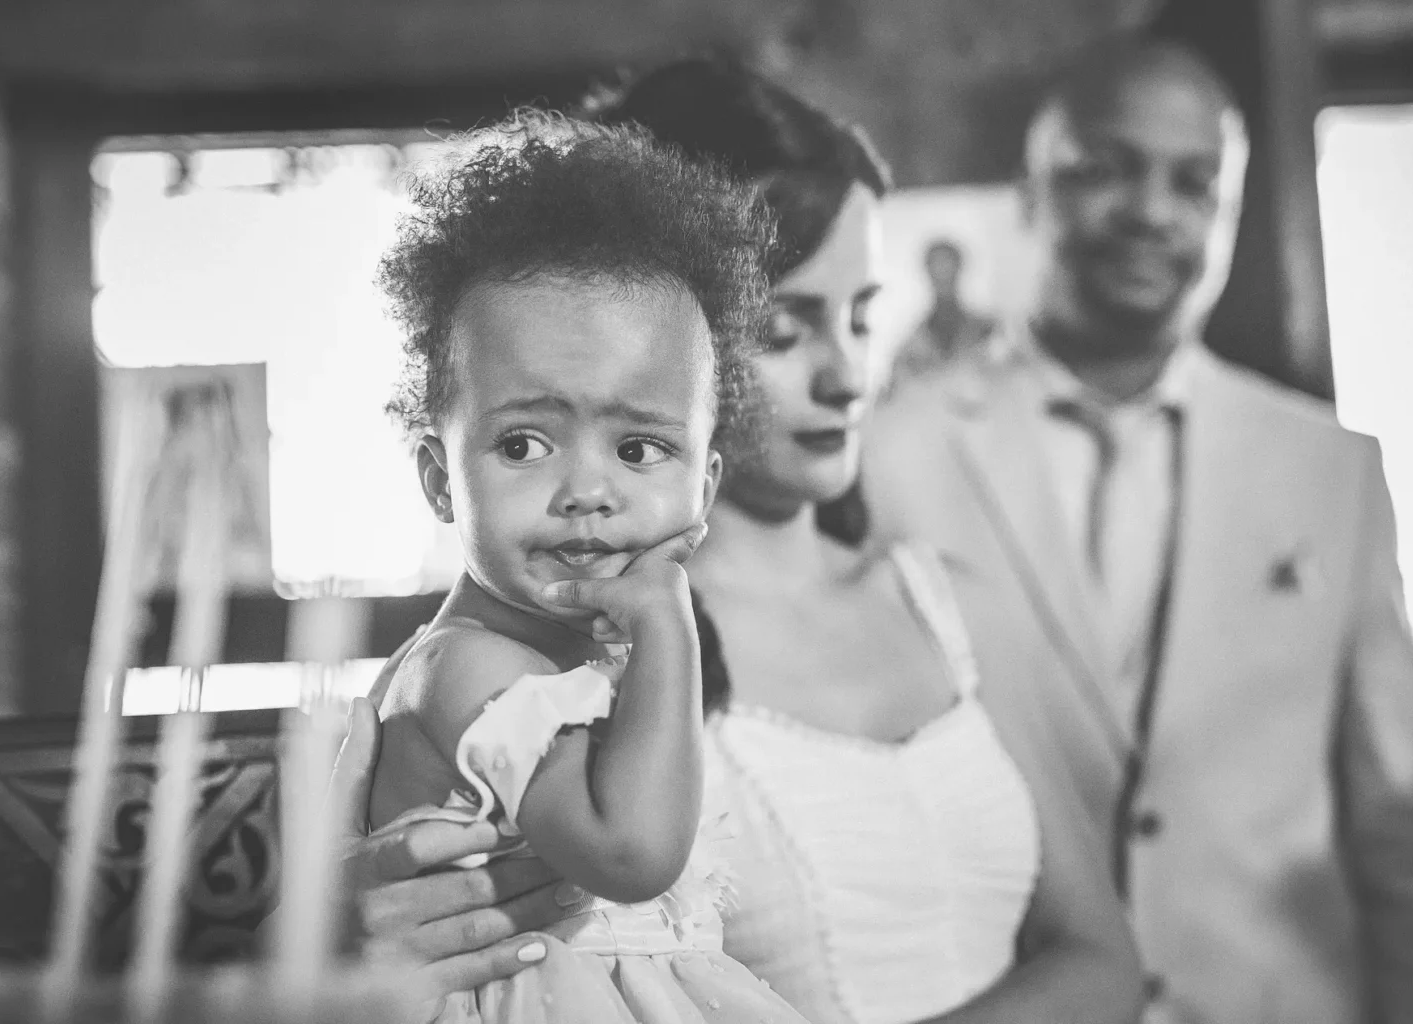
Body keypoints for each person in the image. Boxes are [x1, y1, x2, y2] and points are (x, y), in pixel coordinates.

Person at [344, 58, 1145, 1024]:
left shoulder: (947, 601)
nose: (849, 375)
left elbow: (1102, 959)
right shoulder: (562, 651)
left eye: (860, 316)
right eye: (786, 327)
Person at [861, 37, 1413, 1024]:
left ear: (1229, 216)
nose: (1152, 211)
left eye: (1195, 184)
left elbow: (1404, 830)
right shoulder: (893, 455)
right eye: (1104, 168)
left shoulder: (1331, 471)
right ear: (1029, 194)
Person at [362, 110, 810, 1024]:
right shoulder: (466, 668)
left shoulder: (578, 671)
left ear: (706, 483)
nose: (586, 492)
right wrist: (667, 619)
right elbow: (632, 855)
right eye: (525, 443)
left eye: (641, 449)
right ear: (438, 479)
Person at [885, 240, 998, 393]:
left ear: (960, 268)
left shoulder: (989, 331)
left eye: (948, 266)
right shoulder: (911, 347)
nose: (943, 273)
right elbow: (894, 395)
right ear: (927, 272)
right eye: (936, 266)